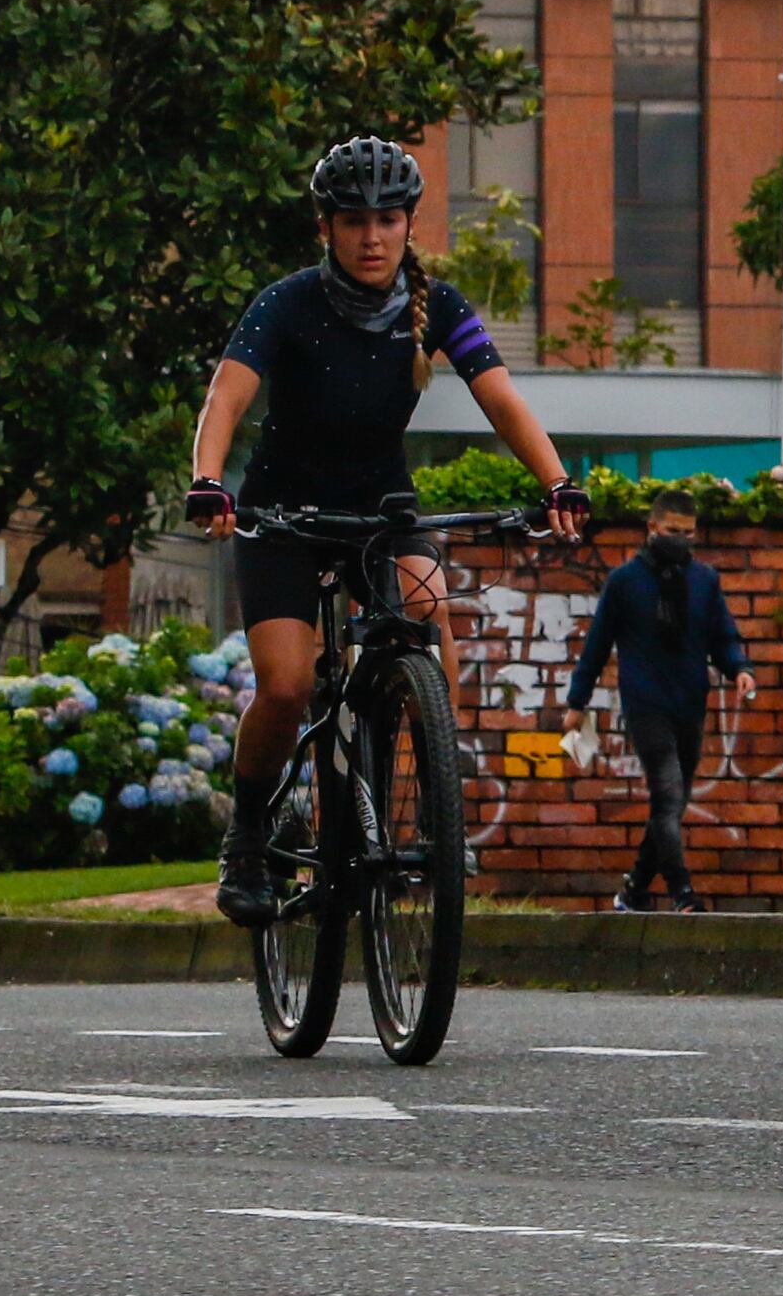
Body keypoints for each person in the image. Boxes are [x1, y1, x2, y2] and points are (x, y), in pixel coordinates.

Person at [182, 135, 586, 930]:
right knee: (289, 684)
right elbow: (225, 400)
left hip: (377, 501)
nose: (374, 236)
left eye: (389, 219)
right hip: (284, 511)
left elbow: (502, 400)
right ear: (326, 228)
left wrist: (556, 482)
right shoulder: (287, 301)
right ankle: (249, 835)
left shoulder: (440, 306)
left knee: (431, 611)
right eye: (355, 220)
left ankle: (437, 796)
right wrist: (208, 480)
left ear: (409, 225)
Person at [568, 507, 753, 911]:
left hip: (691, 704)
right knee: (668, 796)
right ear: (652, 528)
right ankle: (682, 892)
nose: (680, 538)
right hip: (646, 704)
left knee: (672, 803)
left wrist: (739, 668)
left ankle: (634, 890)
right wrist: (576, 702)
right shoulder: (625, 582)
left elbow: (722, 635)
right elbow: (597, 645)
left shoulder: (704, 580)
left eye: (688, 531)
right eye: (673, 530)